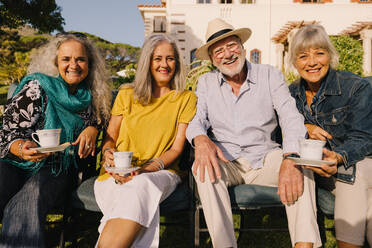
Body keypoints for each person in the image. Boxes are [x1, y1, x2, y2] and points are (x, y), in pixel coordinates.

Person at [186, 18, 323, 248]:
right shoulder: (206, 83)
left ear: (243, 47)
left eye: (231, 46)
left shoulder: (269, 75)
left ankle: (304, 244)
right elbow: (196, 120)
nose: (227, 54)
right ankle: (225, 245)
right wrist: (200, 139)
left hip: (265, 159)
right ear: (211, 59)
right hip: (226, 161)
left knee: (302, 166)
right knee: (201, 170)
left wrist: (291, 157)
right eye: (219, 51)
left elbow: (290, 116)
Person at [0, 33, 112, 247]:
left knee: (29, 198)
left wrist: (93, 128)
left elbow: (106, 122)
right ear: (56, 62)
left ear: (90, 64)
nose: (74, 65)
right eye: (66, 59)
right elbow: (7, 131)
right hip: (17, 160)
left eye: (80, 59)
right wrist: (22, 148)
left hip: (60, 167)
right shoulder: (37, 88)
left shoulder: (95, 98)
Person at [94, 33, 196, 248]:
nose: (164, 64)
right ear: (147, 62)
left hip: (160, 172)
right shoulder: (126, 94)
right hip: (116, 173)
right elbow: (110, 138)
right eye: (157, 58)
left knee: (140, 186)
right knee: (130, 197)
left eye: (170, 58)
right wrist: (108, 154)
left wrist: (145, 170)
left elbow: (177, 148)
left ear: (177, 63)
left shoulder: (185, 98)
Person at [288, 24, 372, 248]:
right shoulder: (289, 95)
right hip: (318, 174)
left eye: (319, 53)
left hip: (356, 165)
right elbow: (278, 133)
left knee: (352, 171)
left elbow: (363, 138)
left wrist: (338, 157)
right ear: (295, 62)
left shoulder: (355, 87)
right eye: (303, 56)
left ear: (330, 55)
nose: (312, 62)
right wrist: (304, 125)